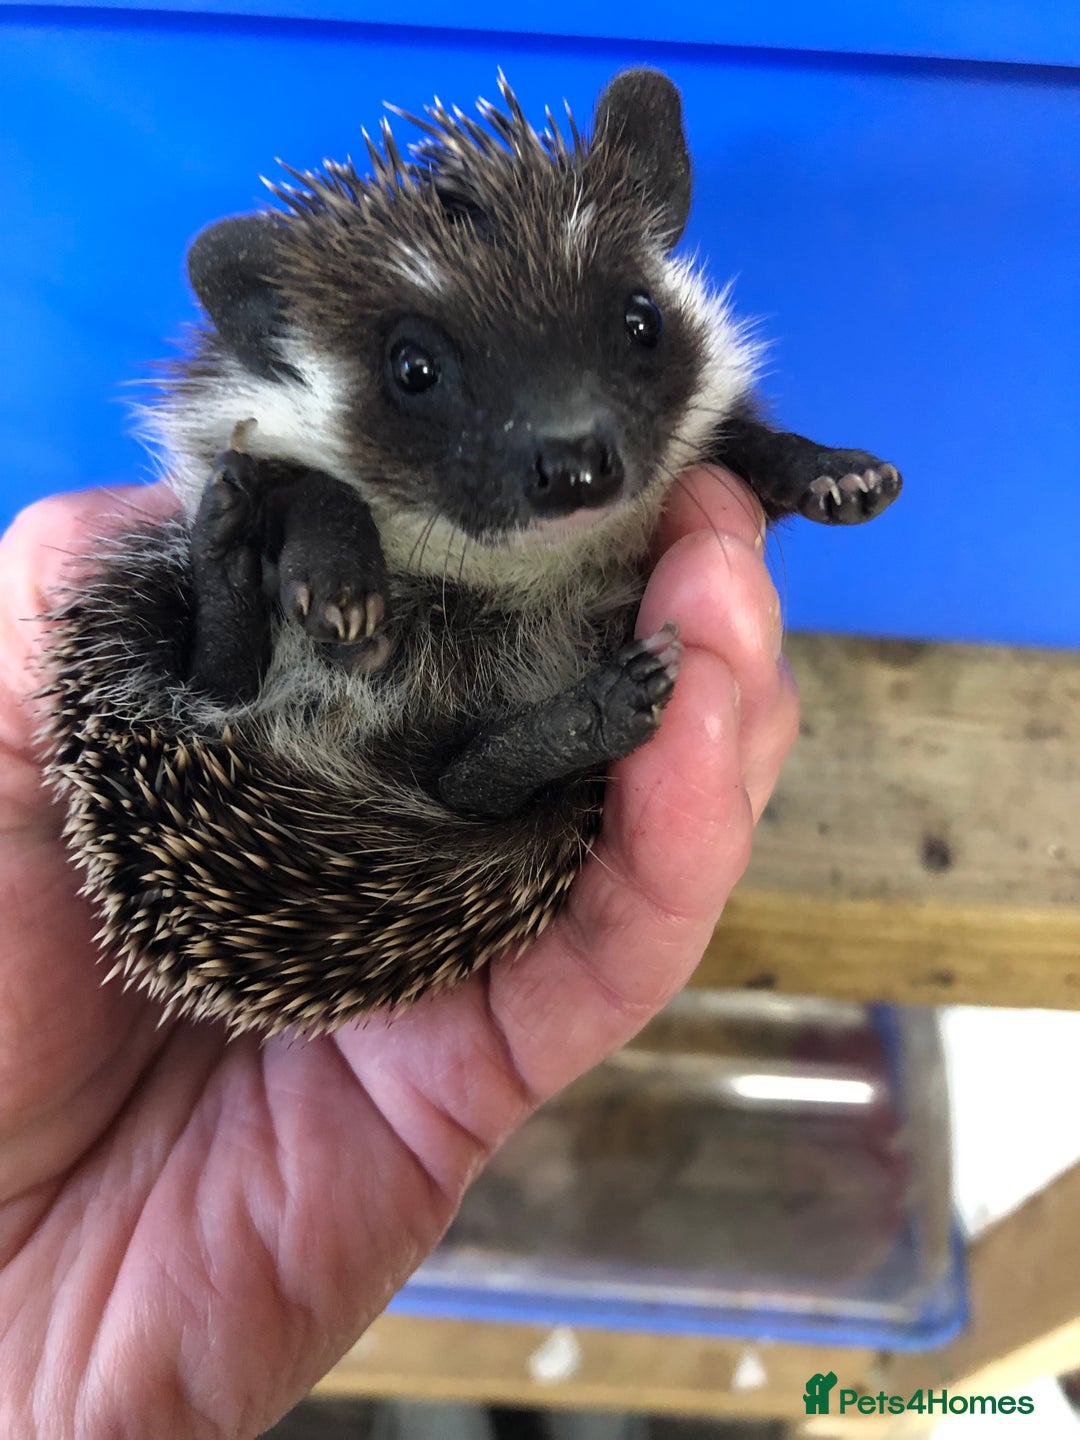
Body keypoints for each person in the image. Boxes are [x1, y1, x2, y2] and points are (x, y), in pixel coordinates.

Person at [0, 468, 797, 1439]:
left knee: (237, 680)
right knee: (477, 801)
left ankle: (255, 596)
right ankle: (553, 732)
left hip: (262, 709)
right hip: (414, 787)